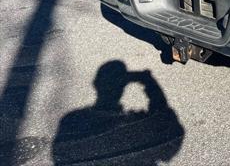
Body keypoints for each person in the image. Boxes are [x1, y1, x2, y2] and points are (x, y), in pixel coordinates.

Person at [52, 61, 184, 165]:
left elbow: (60, 154)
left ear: (95, 84)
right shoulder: (137, 125)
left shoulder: (73, 119)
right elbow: (170, 142)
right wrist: (148, 81)